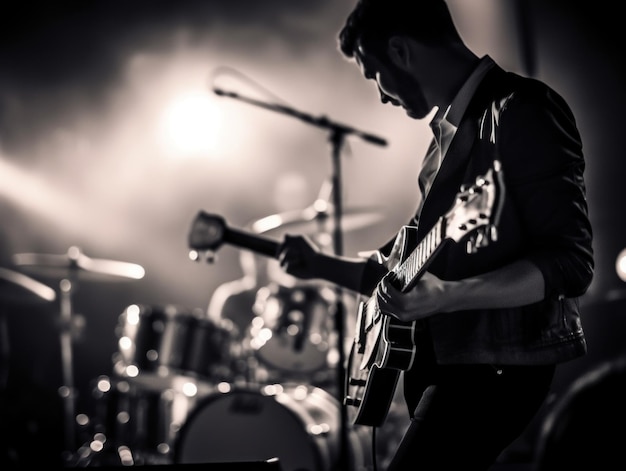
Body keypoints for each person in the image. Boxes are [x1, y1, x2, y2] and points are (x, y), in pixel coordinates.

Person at [276, 0, 594, 469]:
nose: (381, 95)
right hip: (454, 365)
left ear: (401, 51)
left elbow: (571, 263)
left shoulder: (521, 109)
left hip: (498, 367)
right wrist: (318, 265)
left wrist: (448, 296)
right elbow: (401, 271)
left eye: (373, 73)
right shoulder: (443, 140)